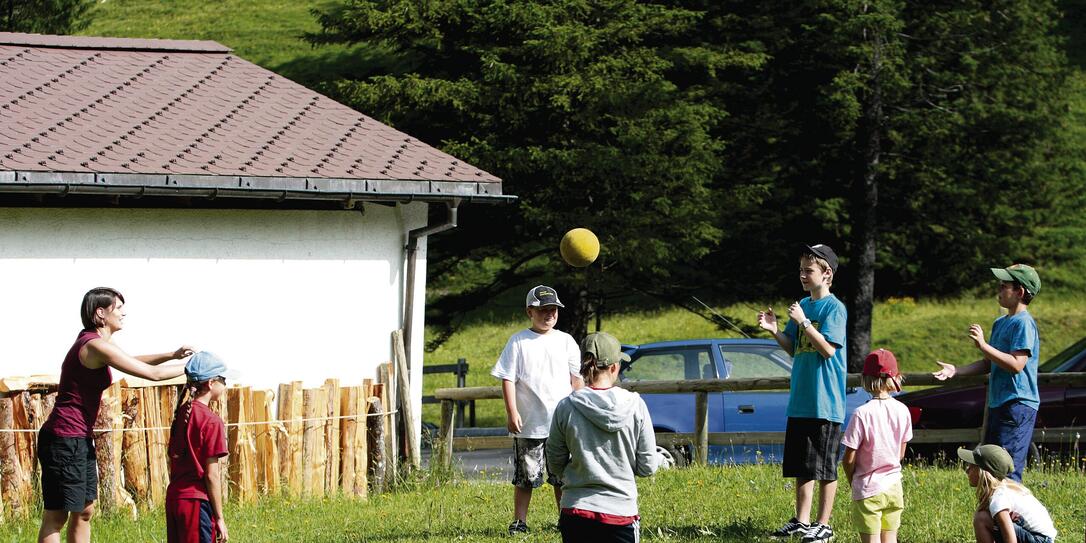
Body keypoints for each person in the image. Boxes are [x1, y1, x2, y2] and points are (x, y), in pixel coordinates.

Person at [37, 287, 194, 543]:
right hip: (64, 438)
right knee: (57, 516)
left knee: (85, 510)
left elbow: (131, 360)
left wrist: (171, 355)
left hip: (77, 437)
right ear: (101, 313)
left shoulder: (98, 342)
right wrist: (194, 368)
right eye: (118, 308)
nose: (124, 313)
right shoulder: (95, 345)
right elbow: (149, 374)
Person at [757, 244, 847, 543]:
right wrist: (774, 330)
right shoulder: (803, 306)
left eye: (809, 271)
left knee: (825, 466)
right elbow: (795, 349)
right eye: (801, 271)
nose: (803, 276)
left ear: (827, 273)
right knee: (802, 465)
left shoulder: (834, 308)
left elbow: (827, 349)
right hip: (801, 400)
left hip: (826, 402)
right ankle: (802, 520)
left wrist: (803, 322)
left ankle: (824, 524)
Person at [546, 332, 666, 543]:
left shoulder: (566, 407)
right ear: (614, 367)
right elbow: (647, 467)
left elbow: (554, 462)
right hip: (620, 513)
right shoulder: (635, 405)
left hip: (575, 511)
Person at [933, 264, 1041, 482]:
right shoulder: (1000, 322)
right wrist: (957, 370)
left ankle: (1013, 516)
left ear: (1020, 292)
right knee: (989, 468)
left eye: (1004, 286)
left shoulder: (1024, 324)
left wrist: (983, 345)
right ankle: (993, 514)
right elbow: (988, 363)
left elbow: (1017, 364)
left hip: (1017, 405)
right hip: (999, 404)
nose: (998, 291)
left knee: (1006, 471)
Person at [491, 285, 584, 535]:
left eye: (553, 309)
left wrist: (580, 411)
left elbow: (577, 380)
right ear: (529, 312)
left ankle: (565, 519)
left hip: (562, 423)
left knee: (561, 476)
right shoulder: (519, 341)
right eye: (542, 310)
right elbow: (507, 378)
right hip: (530, 423)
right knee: (526, 476)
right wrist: (512, 412)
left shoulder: (565, 341)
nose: (549, 314)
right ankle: (519, 521)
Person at [841, 349, 913, 543]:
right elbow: (900, 453)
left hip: (867, 488)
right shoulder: (903, 410)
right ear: (896, 377)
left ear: (865, 379)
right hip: (894, 486)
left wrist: (853, 480)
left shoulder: (861, 413)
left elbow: (848, 459)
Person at [166, 352, 236, 543]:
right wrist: (220, 518)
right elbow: (211, 475)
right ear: (211, 383)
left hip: (174, 499)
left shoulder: (181, 413)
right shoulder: (211, 421)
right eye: (223, 379)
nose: (226, 384)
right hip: (196, 503)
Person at [959, 444, 1057, 543]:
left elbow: (1011, 540)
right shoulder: (1005, 488)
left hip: (1039, 540)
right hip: (1043, 539)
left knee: (981, 518)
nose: (967, 470)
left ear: (983, 472)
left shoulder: (998, 498)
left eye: (971, 466)